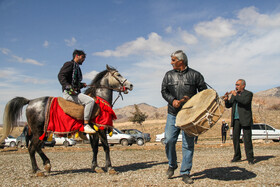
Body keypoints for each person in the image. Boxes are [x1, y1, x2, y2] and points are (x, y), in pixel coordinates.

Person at [161, 50, 207, 184]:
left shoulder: (195, 75)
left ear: (181, 61)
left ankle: (185, 172)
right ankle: (172, 164)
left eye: (173, 60)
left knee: (188, 144)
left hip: (189, 116)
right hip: (173, 114)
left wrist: (193, 101)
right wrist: (172, 100)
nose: (171, 63)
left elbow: (204, 93)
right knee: (169, 140)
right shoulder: (168, 75)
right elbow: (164, 91)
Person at [58, 49, 96, 133]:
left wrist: (81, 85)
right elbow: (61, 75)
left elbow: (74, 83)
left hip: (75, 92)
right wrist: (68, 87)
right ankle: (86, 124)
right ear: (76, 56)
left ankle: (79, 129)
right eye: (82, 57)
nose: (83, 60)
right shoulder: (69, 64)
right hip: (69, 94)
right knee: (90, 101)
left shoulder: (76, 67)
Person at [223, 79, 255, 165]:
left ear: (243, 86)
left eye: (237, 85)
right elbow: (229, 105)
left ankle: (250, 158)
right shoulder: (235, 95)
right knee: (235, 138)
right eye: (235, 85)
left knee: (247, 139)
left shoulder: (248, 94)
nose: (236, 86)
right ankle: (237, 156)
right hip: (236, 119)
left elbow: (244, 102)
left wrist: (235, 95)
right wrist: (226, 99)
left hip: (245, 119)